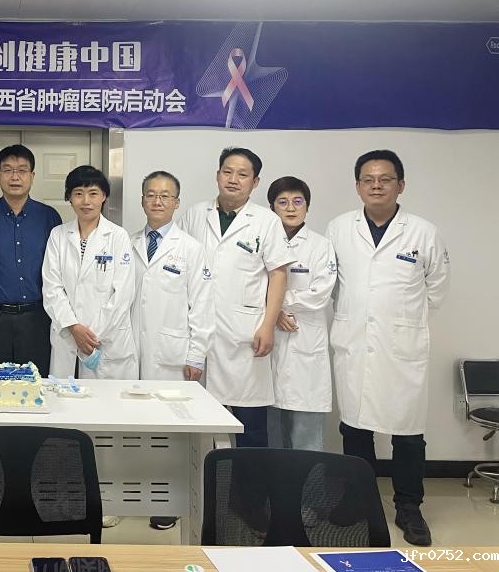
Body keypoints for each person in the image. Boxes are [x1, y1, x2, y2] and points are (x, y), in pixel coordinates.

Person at [327, 150, 450, 546]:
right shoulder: (339, 228)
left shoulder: (423, 232)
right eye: (368, 179)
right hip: (354, 342)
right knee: (355, 428)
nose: (376, 185)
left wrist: (400, 320)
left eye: (385, 179)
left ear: (401, 185)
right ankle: (358, 502)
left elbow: (437, 289)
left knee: (408, 433)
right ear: (358, 186)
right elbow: (332, 285)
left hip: (401, 347)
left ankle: (409, 506)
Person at [181, 147, 292, 447]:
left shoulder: (266, 221)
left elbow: (278, 274)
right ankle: (208, 476)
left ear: (255, 182)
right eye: (227, 172)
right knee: (200, 423)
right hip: (199, 332)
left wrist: (268, 325)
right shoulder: (194, 214)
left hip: (245, 333)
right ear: (217, 175)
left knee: (250, 424)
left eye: (242, 174)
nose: (233, 179)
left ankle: (251, 479)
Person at [130, 169, 212, 532]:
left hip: (172, 354)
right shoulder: (128, 243)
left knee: (169, 431)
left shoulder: (191, 249)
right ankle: (130, 492)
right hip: (132, 349)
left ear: (177, 203)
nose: (157, 201)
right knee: (133, 424)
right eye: (151, 194)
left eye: (165, 195)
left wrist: (196, 355)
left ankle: (167, 502)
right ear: (142, 200)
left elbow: (203, 306)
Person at [0, 144, 62, 375]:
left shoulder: (49, 217)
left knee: (36, 385)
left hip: (37, 320)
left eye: (22, 170)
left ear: (32, 175)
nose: (15, 177)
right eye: (8, 170)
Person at [43, 165, 137, 380]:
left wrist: (90, 335)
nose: (86, 201)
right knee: (65, 397)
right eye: (78, 193)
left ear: (104, 196)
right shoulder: (58, 235)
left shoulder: (118, 236)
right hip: (67, 334)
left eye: (93, 193)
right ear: (69, 198)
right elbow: (51, 288)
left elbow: (123, 294)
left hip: (106, 339)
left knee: (106, 399)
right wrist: (74, 327)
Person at [265, 176, 336, 452]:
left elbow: (321, 292)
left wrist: (278, 305)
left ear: (307, 206)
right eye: (282, 202)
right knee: (271, 432)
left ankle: (308, 482)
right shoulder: (262, 241)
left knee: (307, 435)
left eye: (298, 201)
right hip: (269, 342)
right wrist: (274, 311)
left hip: (305, 342)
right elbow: (250, 286)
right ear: (272, 208)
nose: (291, 208)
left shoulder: (320, 245)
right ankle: (274, 481)